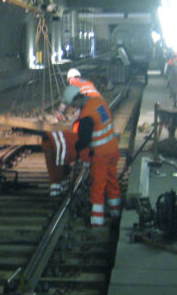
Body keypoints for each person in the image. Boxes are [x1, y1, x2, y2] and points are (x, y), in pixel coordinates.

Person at [41, 84, 121, 229]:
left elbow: (84, 139)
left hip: (101, 155)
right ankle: (116, 214)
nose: (73, 107)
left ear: (77, 99)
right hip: (113, 149)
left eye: (73, 104)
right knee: (112, 182)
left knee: (97, 187)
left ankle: (97, 222)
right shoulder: (99, 102)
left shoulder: (86, 115)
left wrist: (77, 146)